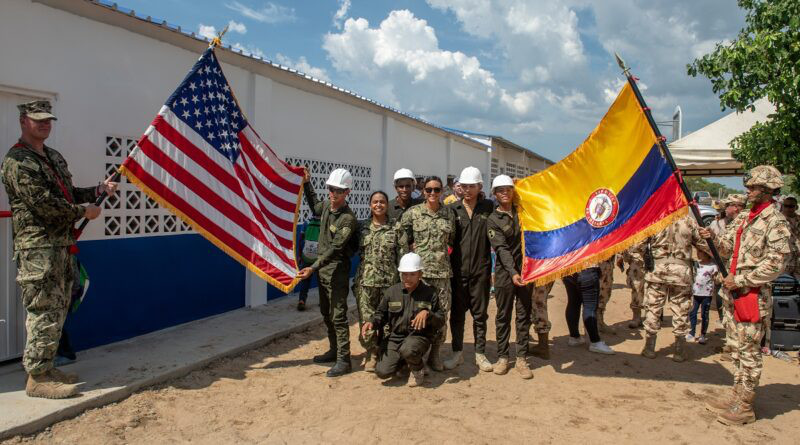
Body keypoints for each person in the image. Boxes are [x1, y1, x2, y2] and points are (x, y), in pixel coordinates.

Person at [1, 100, 117, 399]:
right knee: (42, 309)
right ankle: (36, 377)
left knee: (58, 308)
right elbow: (43, 205)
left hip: (62, 245)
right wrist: (83, 210)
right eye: (38, 120)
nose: (45, 124)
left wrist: (97, 191)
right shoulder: (17, 161)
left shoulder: (52, 156)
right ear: (23, 121)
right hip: (39, 247)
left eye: (48, 120)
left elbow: (67, 193)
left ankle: (47, 367)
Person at [700, 165, 792, 425]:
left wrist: (740, 279)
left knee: (749, 352)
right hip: (732, 293)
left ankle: (745, 407)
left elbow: (777, 263)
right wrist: (712, 240)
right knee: (737, 349)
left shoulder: (776, 221)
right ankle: (736, 396)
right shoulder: (743, 217)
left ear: (768, 190)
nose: (748, 191)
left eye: (753, 188)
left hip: (752, 295)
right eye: (749, 187)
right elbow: (727, 247)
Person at [297, 168, 358, 377]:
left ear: (347, 192)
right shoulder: (325, 207)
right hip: (322, 272)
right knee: (326, 313)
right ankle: (334, 350)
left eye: (339, 191)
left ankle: (344, 359)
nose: (333, 194)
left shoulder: (347, 219)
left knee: (338, 316)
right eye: (331, 189)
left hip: (336, 273)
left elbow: (336, 249)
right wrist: (306, 183)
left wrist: (312, 267)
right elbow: (314, 204)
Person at [364, 252, 445, 387]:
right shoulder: (392, 292)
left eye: (412, 274)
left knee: (409, 349)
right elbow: (380, 314)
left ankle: (418, 369)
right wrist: (372, 322)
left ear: (420, 274)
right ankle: (405, 363)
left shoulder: (430, 293)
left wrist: (428, 314)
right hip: (395, 337)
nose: (407, 278)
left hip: (418, 337)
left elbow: (441, 319)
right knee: (382, 372)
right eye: (404, 274)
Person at [400, 176, 455, 371]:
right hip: (418, 277)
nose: (432, 193)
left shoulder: (449, 215)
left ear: (441, 191)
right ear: (423, 191)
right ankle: (414, 355)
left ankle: (435, 354)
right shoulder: (412, 213)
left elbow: (452, 241)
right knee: (413, 314)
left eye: (437, 190)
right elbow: (402, 238)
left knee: (441, 316)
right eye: (429, 190)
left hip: (441, 275)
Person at [639, 215, 710, 363]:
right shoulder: (689, 221)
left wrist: (650, 255)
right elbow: (704, 244)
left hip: (657, 270)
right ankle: (679, 350)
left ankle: (649, 347)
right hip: (681, 272)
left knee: (653, 308)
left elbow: (637, 245)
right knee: (681, 309)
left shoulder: (654, 217)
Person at [447, 166, 495, 371]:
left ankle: (480, 354)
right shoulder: (453, 210)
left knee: (480, 315)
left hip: (480, 271)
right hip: (457, 272)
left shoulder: (488, 208)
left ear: (479, 187)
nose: (467, 190)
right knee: (457, 314)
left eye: (471, 186)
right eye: (464, 186)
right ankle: (457, 353)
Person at [486, 175, 534, 378]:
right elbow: (502, 249)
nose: (505, 192)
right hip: (507, 275)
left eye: (508, 189)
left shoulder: (523, 212)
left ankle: (522, 358)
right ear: (495, 194)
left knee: (523, 316)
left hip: (527, 273)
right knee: (503, 316)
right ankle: (503, 357)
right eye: (500, 190)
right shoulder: (493, 219)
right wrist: (513, 273)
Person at [353, 191, 406, 372]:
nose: (378, 205)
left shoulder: (396, 227)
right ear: (370, 205)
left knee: (389, 321)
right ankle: (371, 353)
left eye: (382, 202)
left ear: (387, 205)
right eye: (375, 202)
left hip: (389, 284)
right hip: (366, 283)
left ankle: (386, 352)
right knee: (367, 319)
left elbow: (403, 256)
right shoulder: (362, 227)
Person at [709, 194, 745, 360]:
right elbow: (721, 248)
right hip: (725, 272)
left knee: (742, 313)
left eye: (729, 205)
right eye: (730, 205)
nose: (733, 209)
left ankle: (740, 348)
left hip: (742, 276)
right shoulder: (723, 224)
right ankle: (731, 345)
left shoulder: (746, 223)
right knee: (726, 308)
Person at [562, 267, 615, 354]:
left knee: (573, 303)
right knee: (590, 306)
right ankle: (595, 342)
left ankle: (574, 337)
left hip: (569, 270)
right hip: (588, 270)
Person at [687, 249, 718, 344]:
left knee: (704, 315)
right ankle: (691, 333)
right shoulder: (695, 264)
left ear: (707, 254)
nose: (698, 253)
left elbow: (715, 279)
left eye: (700, 252)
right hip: (695, 293)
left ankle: (703, 335)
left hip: (706, 294)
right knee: (692, 313)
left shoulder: (713, 266)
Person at [617, 242, 646, 329]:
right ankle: (636, 317)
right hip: (635, 262)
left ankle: (654, 317)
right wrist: (620, 255)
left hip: (652, 259)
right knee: (636, 290)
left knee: (654, 290)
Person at [295, 215, 321, 311]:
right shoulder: (325, 222)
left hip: (306, 255)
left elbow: (301, 240)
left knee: (305, 279)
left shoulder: (307, 222)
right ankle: (323, 302)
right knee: (321, 281)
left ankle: (302, 300)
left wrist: (299, 255)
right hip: (319, 258)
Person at [530, 282, 554, 359]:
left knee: (539, 307)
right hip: (546, 274)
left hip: (539, 274)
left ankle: (543, 348)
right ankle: (543, 347)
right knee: (539, 307)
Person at [780, 196, 800, 280]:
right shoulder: (777, 220)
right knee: (783, 284)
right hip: (784, 260)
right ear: (782, 206)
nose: (788, 208)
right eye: (786, 206)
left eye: (791, 206)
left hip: (798, 260)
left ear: (796, 207)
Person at [597, 258, 616, 334]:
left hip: (608, 263)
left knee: (605, 294)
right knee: (594, 295)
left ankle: (600, 322)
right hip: (596, 264)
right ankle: (593, 326)